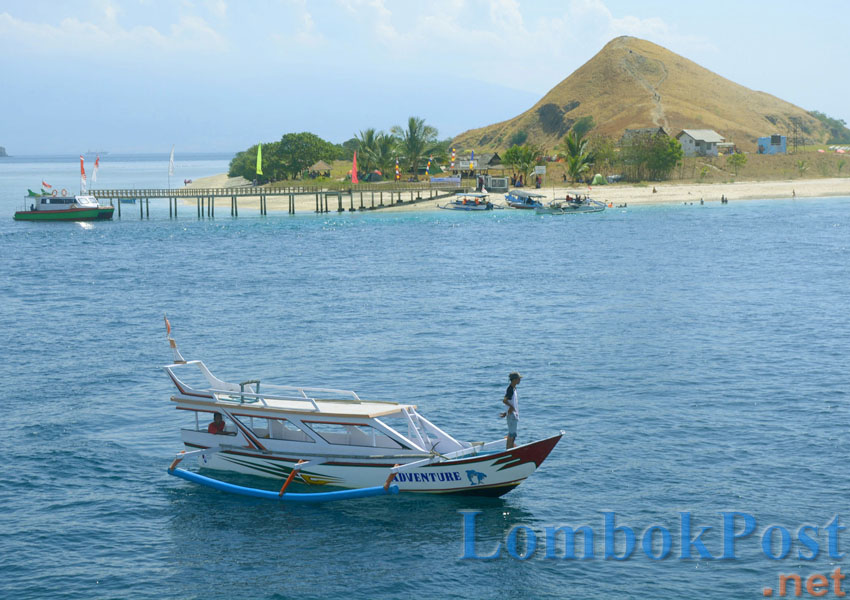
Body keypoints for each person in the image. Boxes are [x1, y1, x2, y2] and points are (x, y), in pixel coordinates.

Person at [499, 372, 522, 449]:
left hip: (512, 414)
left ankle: (510, 449)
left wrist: (505, 413)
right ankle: (509, 450)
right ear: (514, 379)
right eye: (519, 379)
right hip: (512, 415)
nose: (520, 380)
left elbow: (509, 401)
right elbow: (505, 400)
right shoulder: (510, 389)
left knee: (512, 434)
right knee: (512, 434)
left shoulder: (513, 389)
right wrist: (511, 407)